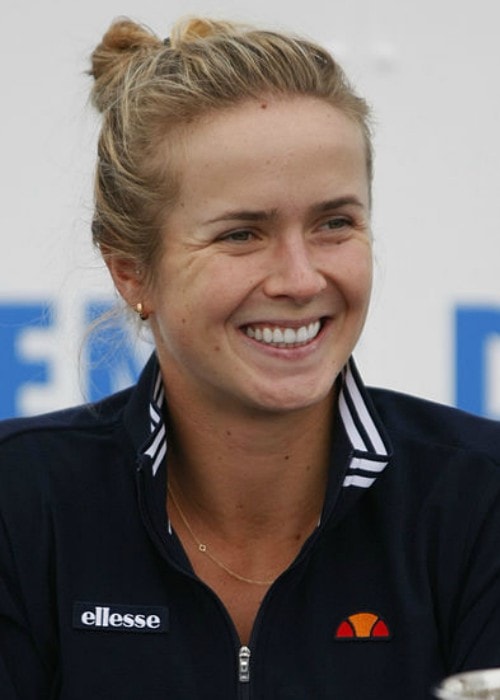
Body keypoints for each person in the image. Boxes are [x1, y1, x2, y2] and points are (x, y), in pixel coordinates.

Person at [1, 15, 500, 700]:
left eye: (334, 224)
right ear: (130, 271)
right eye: (242, 234)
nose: (299, 279)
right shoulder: (19, 502)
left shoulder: (481, 500)